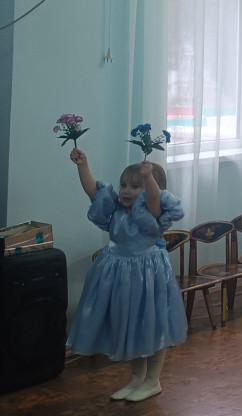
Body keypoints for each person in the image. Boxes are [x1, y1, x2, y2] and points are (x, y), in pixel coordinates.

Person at [67, 149, 187, 403]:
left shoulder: (151, 215)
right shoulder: (115, 212)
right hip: (119, 275)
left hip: (147, 275)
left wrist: (149, 178)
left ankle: (152, 381)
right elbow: (93, 191)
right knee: (131, 327)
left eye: (134, 186)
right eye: (123, 185)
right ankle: (136, 378)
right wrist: (83, 165)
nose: (126, 190)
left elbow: (153, 198)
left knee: (151, 326)